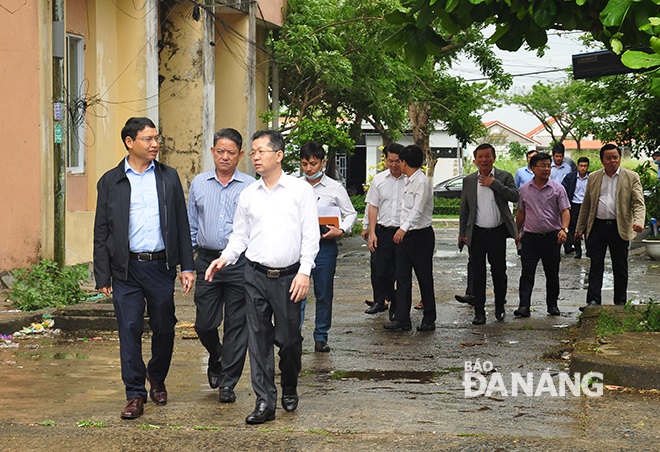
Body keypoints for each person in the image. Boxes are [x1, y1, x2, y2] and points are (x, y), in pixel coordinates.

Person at [205, 130, 319, 425]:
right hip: (254, 275)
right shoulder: (248, 194)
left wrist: (305, 271)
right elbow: (240, 236)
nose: (255, 157)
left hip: (289, 277)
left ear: (278, 155)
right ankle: (264, 401)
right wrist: (224, 258)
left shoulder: (299, 191)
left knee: (290, 341)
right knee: (258, 341)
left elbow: (310, 235)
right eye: (253, 152)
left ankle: (289, 386)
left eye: (260, 151)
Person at [93, 117, 195, 420]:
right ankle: (134, 394)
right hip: (126, 270)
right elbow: (102, 231)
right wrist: (102, 274)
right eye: (148, 139)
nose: (155, 144)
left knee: (164, 327)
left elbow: (181, 222)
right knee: (129, 329)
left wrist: (186, 266)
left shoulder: (167, 177)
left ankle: (157, 376)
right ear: (129, 142)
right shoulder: (110, 181)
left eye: (156, 138)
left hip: (161, 266)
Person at [187, 128, 256, 403]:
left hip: (240, 263)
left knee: (237, 326)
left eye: (230, 152)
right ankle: (216, 355)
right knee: (204, 323)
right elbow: (191, 224)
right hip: (206, 260)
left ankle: (228, 383)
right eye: (220, 151)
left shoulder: (251, 186)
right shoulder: (199, 184)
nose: (224, 157)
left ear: (239, 155)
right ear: (212, 151)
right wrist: (187, 264)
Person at [299, 141, 357, 352]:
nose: (309, 168)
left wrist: (340, 230)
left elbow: (351, 213)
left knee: (323, 293)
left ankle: (321, 336)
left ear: (322, 163)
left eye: (313, 163)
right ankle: (294, 335)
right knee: (297, 292)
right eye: (304, 164)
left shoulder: (335, 188)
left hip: (325, 247)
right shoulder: (295, 187)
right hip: (300, 247)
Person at [576, 144, 645, 310]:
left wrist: (639, 221)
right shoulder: (593, 177)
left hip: (619, 227)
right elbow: (586, 205)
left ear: (619, 158)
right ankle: (593, 301)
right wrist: (579, 228)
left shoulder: (631, 177)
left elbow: (638, 203)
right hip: (597, 227)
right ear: (602, 160)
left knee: (620, 266)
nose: (612, 161)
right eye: (608, 158)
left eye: (615, 157)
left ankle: (620, 301)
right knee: (595, 264)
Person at [458, 144, 518, 325]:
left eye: (488, 156)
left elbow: (515, 196)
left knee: (499, 273)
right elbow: (464, 209)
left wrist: (494, 184)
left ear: (494, 158)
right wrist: (462, 233)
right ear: (475, 160)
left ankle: (499, 307)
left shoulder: (504, 176)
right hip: (476, 234)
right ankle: (479, 312)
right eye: (480, 157)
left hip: (497, 233)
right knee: (478, 274)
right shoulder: (469, 180)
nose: (484, 160)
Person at [383, 145, 437, 331]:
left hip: (420, 235)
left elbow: (418, 209)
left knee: (424, 277)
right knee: (402, 276)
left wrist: (403, 228)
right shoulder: (409, 180)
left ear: (405, 162)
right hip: (405, 236)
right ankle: (402, 318)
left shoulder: (421, 182)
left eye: (400, 161)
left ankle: (429, 317)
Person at [514, 152, 570, 318]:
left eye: (548, 165)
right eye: (542, 165)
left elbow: (565, 211)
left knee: (552, 274)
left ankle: (552, 305)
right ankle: (524, 306)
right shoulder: (524, 190)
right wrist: (517, 232)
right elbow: (521, 213)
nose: (546, 169)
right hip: (530, 238)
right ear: (532, 168)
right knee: (527, 273)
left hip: (552, 237)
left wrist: (564, 229)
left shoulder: (558, 189)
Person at [365, 143, 406, 320]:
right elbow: (373, 206)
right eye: (390, 161)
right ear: (386, 160)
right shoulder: (379, 180)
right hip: (383, 232)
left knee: (400, 273)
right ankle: (387, 299)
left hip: (403, 233)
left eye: (397, 161)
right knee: (380, 272)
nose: (394, 165)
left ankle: (397, 308)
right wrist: (371, 231)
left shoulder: (409, 180)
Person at [561, 157, 590, 258]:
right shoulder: (570, 177)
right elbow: (563, 190)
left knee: (588, 228)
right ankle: (578, 250)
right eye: (581, 166)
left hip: (586, 205)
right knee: (574, 228)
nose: (583, 168)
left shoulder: (592, 177)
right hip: (574, 205)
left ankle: (589, 250)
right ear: (577, 166)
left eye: (585, 166)